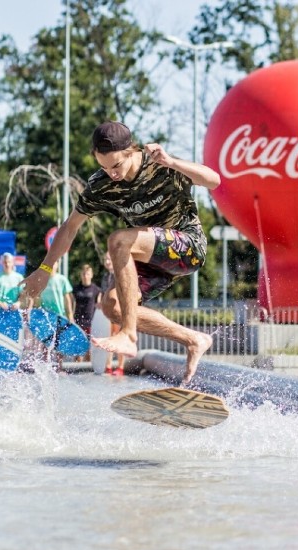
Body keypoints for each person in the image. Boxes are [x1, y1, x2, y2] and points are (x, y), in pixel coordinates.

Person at [19, 121, 219, 383]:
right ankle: (193, 339)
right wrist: (44, 269)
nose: (112, 173)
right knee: (111, 306)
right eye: (104, 167)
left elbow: (214, 181)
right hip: (152, 258)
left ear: (131, 151)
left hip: (188, 247)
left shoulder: (159, 163)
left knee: (118, 241)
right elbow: (69, 227)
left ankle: (129, 334)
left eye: (117, 166)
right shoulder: (101, 186)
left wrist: (172, 162)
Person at [98, 250, 124, 376]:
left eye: (110, 259)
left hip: (119, 311)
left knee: (119, 337)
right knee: (109, 337)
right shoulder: (105, 277)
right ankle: (108, 366)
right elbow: (104, 294)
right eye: (106, 260)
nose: (107, 262)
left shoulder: (119, 275)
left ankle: (120, 366)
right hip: (109, 312)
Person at [72, 263, 101, 362]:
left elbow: (99, 305)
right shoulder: (75, 289)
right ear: (81, 275)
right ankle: (76, 369)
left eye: (87, 274)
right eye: (83, 274)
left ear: (91, 275)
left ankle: (87, 369)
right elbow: (71, 304)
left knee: (88, 348)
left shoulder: (96, 290)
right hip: (77, 321)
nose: (85, 276)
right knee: (77, 347)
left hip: (90, 322)